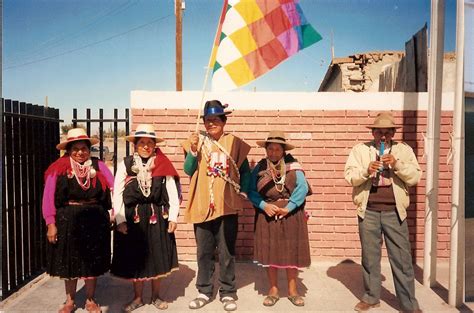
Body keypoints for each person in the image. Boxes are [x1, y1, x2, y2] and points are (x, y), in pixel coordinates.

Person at [344, 112, 423, 313]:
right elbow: (350, 176)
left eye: (388, 132)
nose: (383, 135)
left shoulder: (403, 150)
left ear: (394, 133)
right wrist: (366, 171)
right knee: (370, 258)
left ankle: (408, 304)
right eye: (379, 131)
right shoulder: (360, 150)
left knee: (402, 259)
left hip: (394, 212)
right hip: (368, 210)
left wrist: (396, 164)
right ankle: (371, 298)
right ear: (373, 132)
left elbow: (414, 178)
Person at [182, 100, 251, 312]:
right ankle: (204, 290)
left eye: (215, 119)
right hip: (203, 204)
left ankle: (228, 292)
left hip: (227, 205)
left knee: (227, 251)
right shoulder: (195, 142)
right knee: (203, 251)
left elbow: (245, 171)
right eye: (207, 120)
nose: (211, 123)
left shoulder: (235, 143)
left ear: (223, 121)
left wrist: (244, 191)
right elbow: (188, 170)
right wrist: (193, 150)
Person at [42, 128, 114, 313]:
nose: (80, 152)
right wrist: (51, 223)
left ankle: (90, 299)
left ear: (89, 149)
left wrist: (115, 213)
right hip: (68, 219)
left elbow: (114, 188)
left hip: (95, 219)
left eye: (84, 148)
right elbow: (48, 197)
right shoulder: (58, 167)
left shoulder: (98, 166)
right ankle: (70, 301)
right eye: (75, 148)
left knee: (91, 262)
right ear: (68, 150)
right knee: (69, 262)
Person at [111, 124, 180, 312]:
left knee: (157, 256)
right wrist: (120, 220)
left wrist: (173, 217)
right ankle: (138, 297)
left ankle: (156, 296)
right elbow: (117, 193)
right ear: (135, 144)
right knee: (136, 258)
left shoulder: (162, 163)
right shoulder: (125, 164)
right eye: (142, 142)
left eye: (150, 142)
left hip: (157, 216)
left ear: (155, 145)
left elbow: (172, 192)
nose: (146, 146)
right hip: (133, 219)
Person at [248, 130, 311, 307]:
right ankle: (273, 290)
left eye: (277, 149)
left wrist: (288, 208)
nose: (273, 152)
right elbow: (251, 191)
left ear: (283, 150)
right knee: (271, 253)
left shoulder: (294, 166)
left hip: (291, 214)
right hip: (267, 213)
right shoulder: (260, 168)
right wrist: (264, 206)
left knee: (291, 253)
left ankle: (292, 290)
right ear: (266, 150)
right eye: (270, 149)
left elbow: (302, 189)